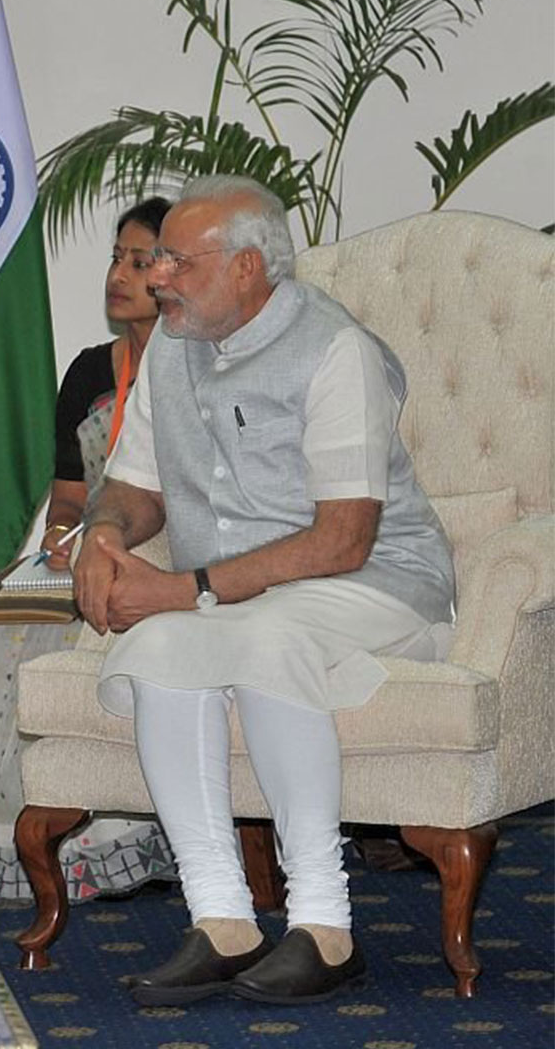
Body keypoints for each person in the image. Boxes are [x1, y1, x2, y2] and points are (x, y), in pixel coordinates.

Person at [76, 175, 454, 1006]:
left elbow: (342, 539)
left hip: (381, 583)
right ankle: (221, 919)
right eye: (158, 257)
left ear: (248, 268)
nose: (158, 276)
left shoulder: (335, 351)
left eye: (178, 258)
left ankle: (323, 926)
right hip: (238, 597)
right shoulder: (171, 347)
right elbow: (133, 489)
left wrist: (188, 587)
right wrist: (102, 538)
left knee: (267, 635)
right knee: (160, 647)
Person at [0, 198, 176, 903]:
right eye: (116, 258)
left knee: (102, 608)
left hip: (166, 552)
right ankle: (20, 841)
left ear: (175, 272)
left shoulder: (202, 367)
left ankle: (123, 835)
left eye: (139, 261)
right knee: (12, 617)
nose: (119, 274)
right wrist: (59, 535)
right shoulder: (91, 372)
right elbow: (67, 492)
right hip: (87, 545)